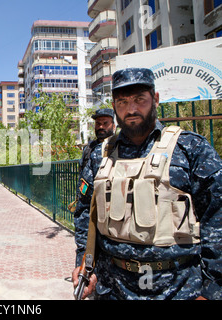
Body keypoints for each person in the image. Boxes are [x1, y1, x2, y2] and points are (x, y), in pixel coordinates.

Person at [72, 67, 221, 300]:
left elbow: (217, 217)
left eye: (139, 99)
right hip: (113, 287)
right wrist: (85, 263)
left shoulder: (191, 149)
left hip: (178, 288)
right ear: (114, 106)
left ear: (156, 99)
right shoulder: (99, 155)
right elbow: (84, 213)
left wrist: (212, 290)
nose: (131, 109)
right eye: (122, 102)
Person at [70, 109, 116, 212]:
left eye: (105, 123)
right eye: (98, 124)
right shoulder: (89, 148)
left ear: (113, 125)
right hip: (88, 209)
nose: (101, 127)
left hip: (111, 211)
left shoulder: (120, 147)